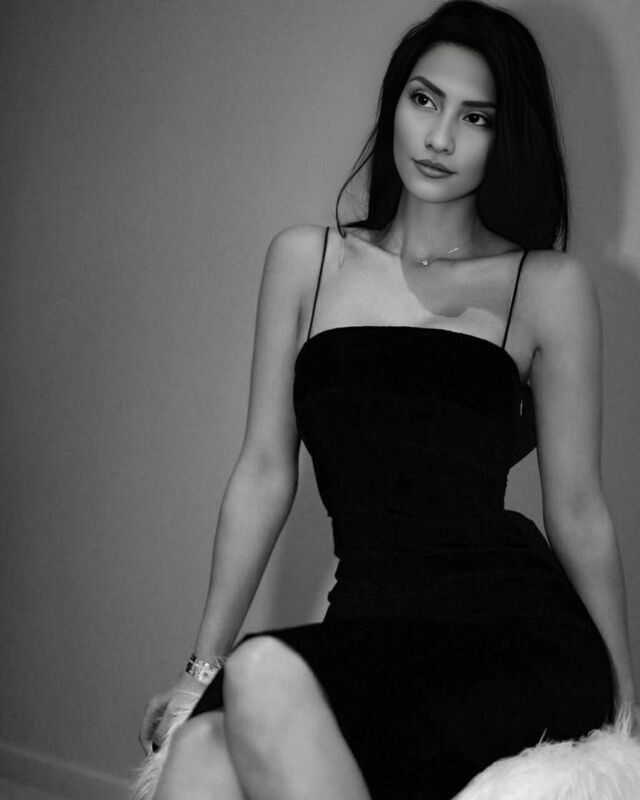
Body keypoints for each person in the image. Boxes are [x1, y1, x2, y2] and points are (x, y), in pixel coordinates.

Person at [137, 1, 639, 798]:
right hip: (371, 622)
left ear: (508, 137)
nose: (440, 137)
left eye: (476, 117)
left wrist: (625, 704)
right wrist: (200, 667)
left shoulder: (546, 287)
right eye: (424, 99)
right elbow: (264, 470)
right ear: (395, 102)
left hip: (511, 632)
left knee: (260, 670)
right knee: (200, 745)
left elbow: (577, 508)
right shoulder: (305, 262)